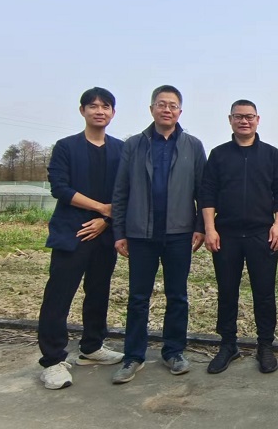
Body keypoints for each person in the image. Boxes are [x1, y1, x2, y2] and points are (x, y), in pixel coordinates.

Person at [110, 85, 206, 384]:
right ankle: (133, 356)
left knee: (177, 295)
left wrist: (201, 227)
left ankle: (173, 351)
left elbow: (203, 191)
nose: (167, 109)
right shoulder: (134, 145)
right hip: (141, 234)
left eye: (173, 105)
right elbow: (121, 190)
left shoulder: (193, 146)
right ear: (151, 109)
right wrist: (119, 231)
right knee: (138, 297)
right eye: (161, 104)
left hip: (179, 233)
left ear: (180, 111)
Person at [37, 87, 124, 389]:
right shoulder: (66, 147)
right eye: (93, 106)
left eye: (105, 106)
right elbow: (60, 188)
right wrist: (101, 209)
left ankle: (92, 346)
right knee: (59, 295)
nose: (100, 111)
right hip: (71, 232)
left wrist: (105, 221)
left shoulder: (120, 150)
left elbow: (124, 191)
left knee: (98, 291)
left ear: (113, 112)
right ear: (82, 111)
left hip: (104, 233)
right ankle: (52, 360)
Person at [200, 99, 278, 374]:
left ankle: (265, 346)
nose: (244, 121)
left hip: (262, 235)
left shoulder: (271, 154)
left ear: (257, 120)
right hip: (226, 235)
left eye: (249, 117)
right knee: (227, 292)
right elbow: (207, 193)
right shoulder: (218, 154)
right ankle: (228, 345)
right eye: (238, 116)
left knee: (264, 293)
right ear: (230, 120)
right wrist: (210, 228)